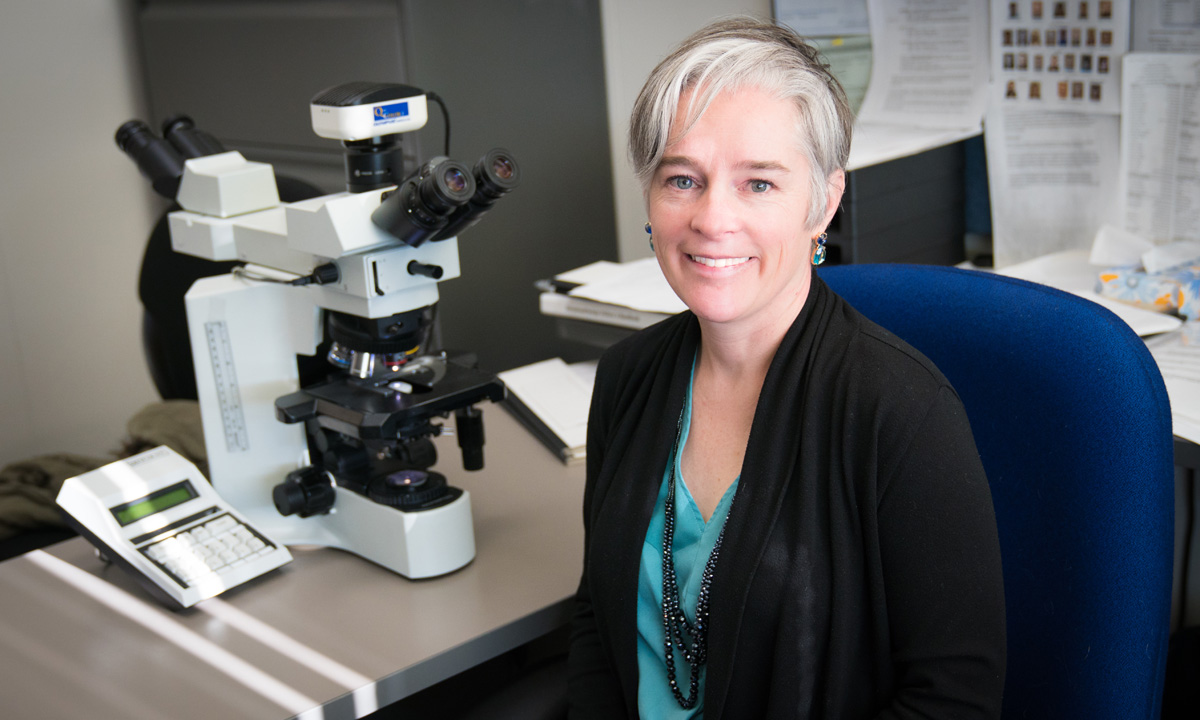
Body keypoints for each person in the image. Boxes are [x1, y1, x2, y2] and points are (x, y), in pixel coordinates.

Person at [567, 17, 1006, 720]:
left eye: (759, 184)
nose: (713, 218)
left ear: (823, 203)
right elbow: (598, 618)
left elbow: (952, 700)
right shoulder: (628, 378)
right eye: (683, 178)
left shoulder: (903, 411)